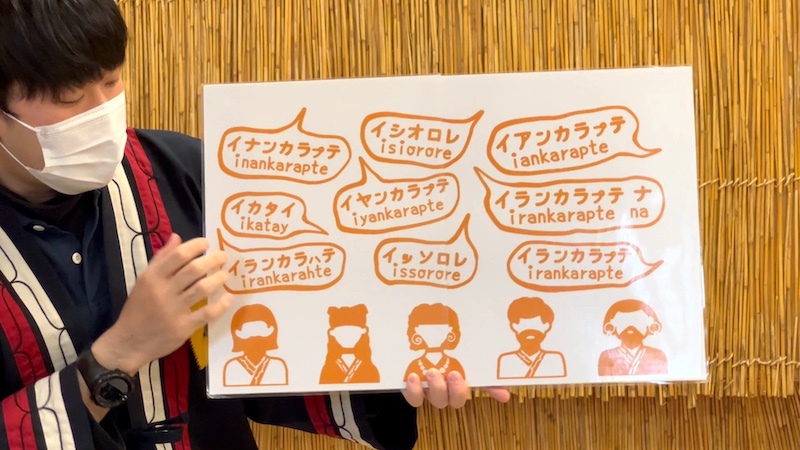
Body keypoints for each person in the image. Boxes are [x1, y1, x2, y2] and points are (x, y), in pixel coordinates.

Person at [0, 1, 511, 449]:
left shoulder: (184, 174)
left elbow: (266, 351)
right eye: (70, 98)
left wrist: (397, 368)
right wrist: (123, 350)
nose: (102, 111)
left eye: (112, 81)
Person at [496, 296, 566, 379]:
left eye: (535, 325)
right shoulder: (507, 360)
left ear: (546, 327)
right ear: (514, 327)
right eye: (524, 325)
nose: (530, 330)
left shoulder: (554, 359)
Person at [597, 299, 668, 376]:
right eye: (623, 322)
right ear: (611, 327)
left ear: (651, 326)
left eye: (637, 321)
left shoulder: (657, 355)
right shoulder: (607, 356)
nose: (630, 326)